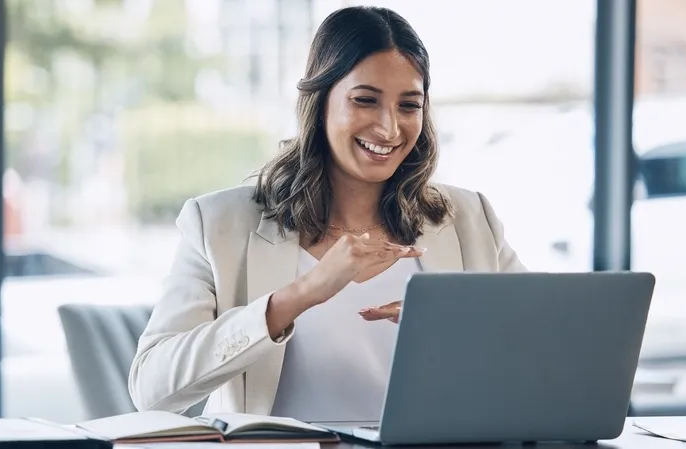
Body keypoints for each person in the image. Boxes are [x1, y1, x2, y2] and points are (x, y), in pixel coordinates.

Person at [128, 6, 525, 421]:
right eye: (365, 100)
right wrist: (300, 295)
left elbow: (543, 348)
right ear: (320, 104)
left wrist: (465, 330)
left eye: (409, 106)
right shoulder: (219, 225)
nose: (390, 129)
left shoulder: (468, 219)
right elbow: (152, 389)